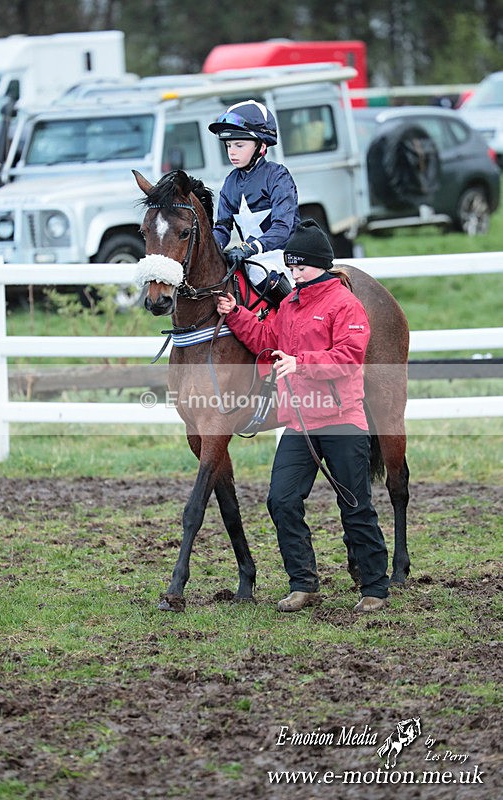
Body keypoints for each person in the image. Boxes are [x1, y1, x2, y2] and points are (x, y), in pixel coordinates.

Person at [216, 219, 389, 613]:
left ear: (320, 264)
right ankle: (303, 583)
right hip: (299, 422)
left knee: (355, 505)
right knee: (281, 500)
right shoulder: (290, 306)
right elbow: (265, 338)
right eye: (291, 265)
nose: (293, 272)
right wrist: (235, 313)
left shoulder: (346, 305)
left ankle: (375, 588)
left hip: (343, 421)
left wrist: (300, 363)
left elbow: (349, 358)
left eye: (300, 266)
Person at [208, 99, 299, 304]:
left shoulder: (277, 176)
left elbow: (283, 227)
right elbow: (223, 227)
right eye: (229, 145)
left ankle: (296, 318)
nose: (232, 152)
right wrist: (207, 249)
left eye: (239, 145)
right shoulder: (230, 182)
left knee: (259, 274)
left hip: (285, 256)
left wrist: (251, 248)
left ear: (262, 145)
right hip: (252, 257)